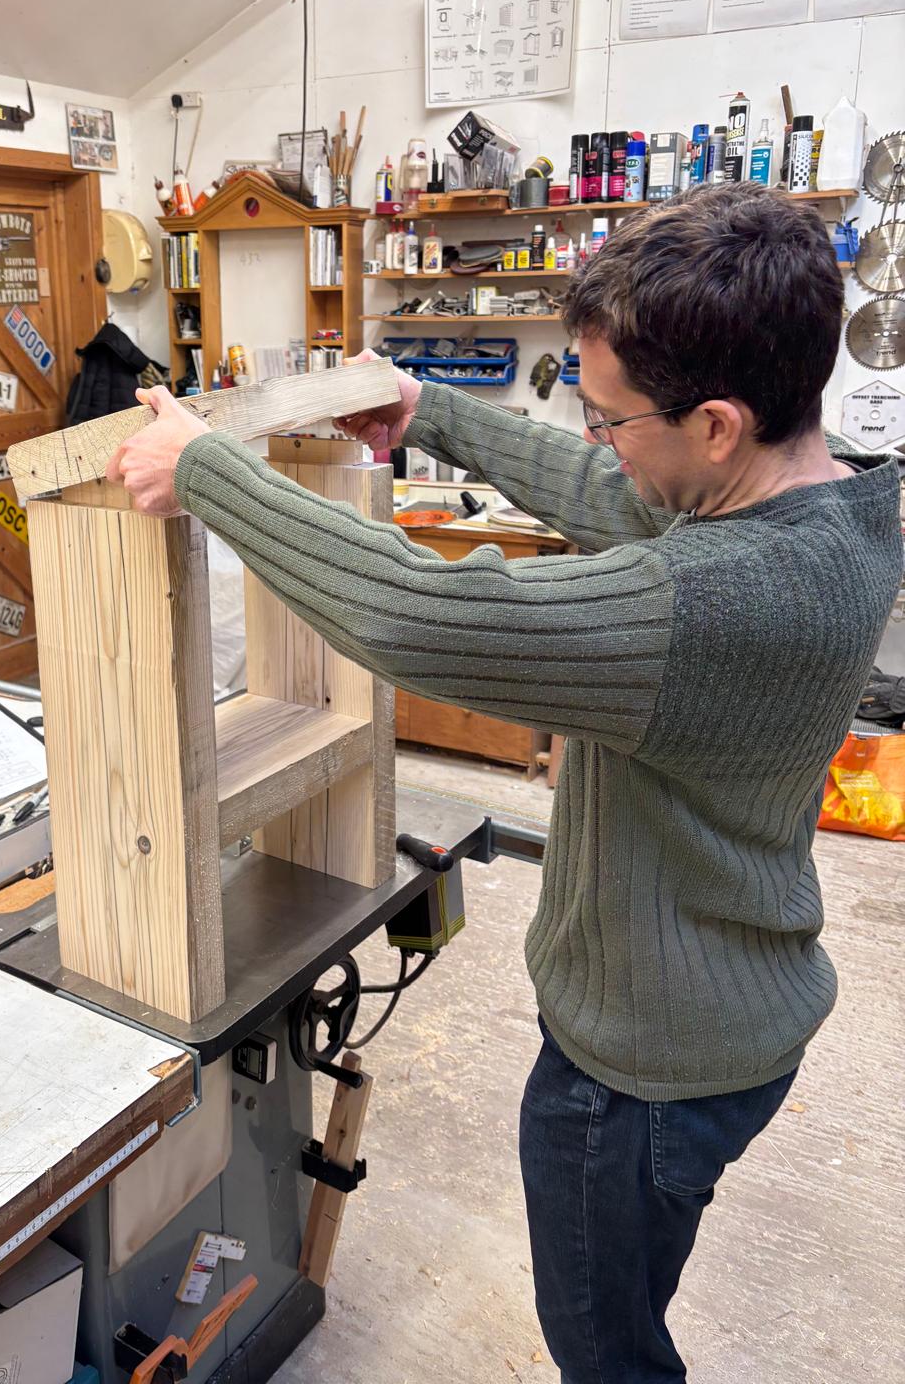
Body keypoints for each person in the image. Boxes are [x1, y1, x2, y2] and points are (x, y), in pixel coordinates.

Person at [105, 183, 902, 1381]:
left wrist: (209, 471)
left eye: (609, 416)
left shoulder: (712, 602)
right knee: (630, 1299)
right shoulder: (837, 512)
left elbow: (419, 614)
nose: (599, 441)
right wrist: (430, 411)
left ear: (718, 424)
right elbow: (624, 496)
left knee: (608, 1351)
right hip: (735, 1010)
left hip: (638, 1073)